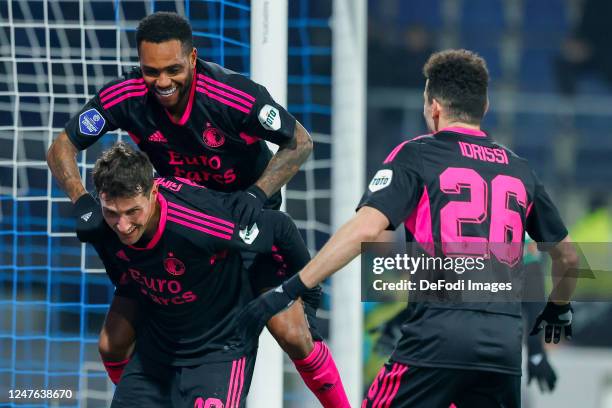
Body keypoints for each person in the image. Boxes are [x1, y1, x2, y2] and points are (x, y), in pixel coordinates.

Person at [238, 49, 579, 407]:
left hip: (437, 336)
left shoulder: (416, 155)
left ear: (434, 107)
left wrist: (291, 287)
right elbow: (569, 258)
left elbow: (366, 230)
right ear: (485, 106)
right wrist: (557, 308)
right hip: (504, 347)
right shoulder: (521, 170)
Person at [45, 11, 349, 407]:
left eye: (173, 69)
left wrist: (255, 195)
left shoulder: (232, 97)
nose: (163, 82)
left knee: (291, 333)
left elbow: (301, 142)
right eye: (151, 71)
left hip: (240, 229)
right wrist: (82, 199)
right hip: (176, 231)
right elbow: (60, 147)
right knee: (113, 343)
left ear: (192, 58)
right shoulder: (125, 97)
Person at [87, 142, 343, 407]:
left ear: (154, 192)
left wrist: (310, 294)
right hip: (158, 347)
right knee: (111, 342)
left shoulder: (203, 222)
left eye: (132, 212)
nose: (123, 225)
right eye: (112, 213)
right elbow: (122, 271)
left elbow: (280, 227)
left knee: (293, 333)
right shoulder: (99, 225)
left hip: (221, 346)